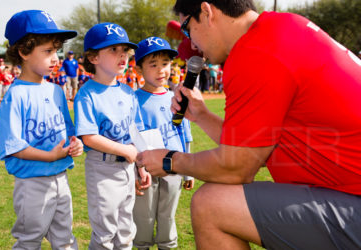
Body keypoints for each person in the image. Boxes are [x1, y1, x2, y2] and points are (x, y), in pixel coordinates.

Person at [136, 0, 361, 249]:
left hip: (353, 202)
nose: (192, 43)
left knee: (210, 205)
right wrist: (201, 115)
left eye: (187, 29)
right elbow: (256, 152)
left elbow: (237, 168)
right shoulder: (282, 26)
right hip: (347, 195)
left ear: (207, 12)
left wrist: (170, 160)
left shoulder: (254, 51)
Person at [0, 10, 83, 249]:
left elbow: (68, 131)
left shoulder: (56, 90)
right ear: (23, 52)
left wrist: (75, 144)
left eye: (56, 50)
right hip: (32, 182)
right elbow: (14, 146)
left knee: (65, 239)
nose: (55, 58)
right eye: (47, 51)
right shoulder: (16, 95)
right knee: (29, 240)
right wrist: (50, 155)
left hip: (60, 177)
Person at [73, 22, 149, 249]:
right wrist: (126, 151)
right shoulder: (87, 94)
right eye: (113, 50)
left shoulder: (128, 92)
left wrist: (141, 166)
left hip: (128, 167)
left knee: (126, 231)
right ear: (94, 58)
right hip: (102, 169)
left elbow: (135, 133)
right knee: (105, 233)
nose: (122, 55)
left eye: (125, 50)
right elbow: (88, 137)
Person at [132, 37, 195, 250]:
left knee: (168, 217)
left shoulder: (176, 97)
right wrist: (138, 169)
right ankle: (141, 245)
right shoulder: (134, 99)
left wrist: (189, 171)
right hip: (146, 170)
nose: (161, 70)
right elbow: (134, 140)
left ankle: (168, 245)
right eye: (153, 64)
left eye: (165, 64)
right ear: (139, 70)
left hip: (175, 166)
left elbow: (184, 135)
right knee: (143, 218)